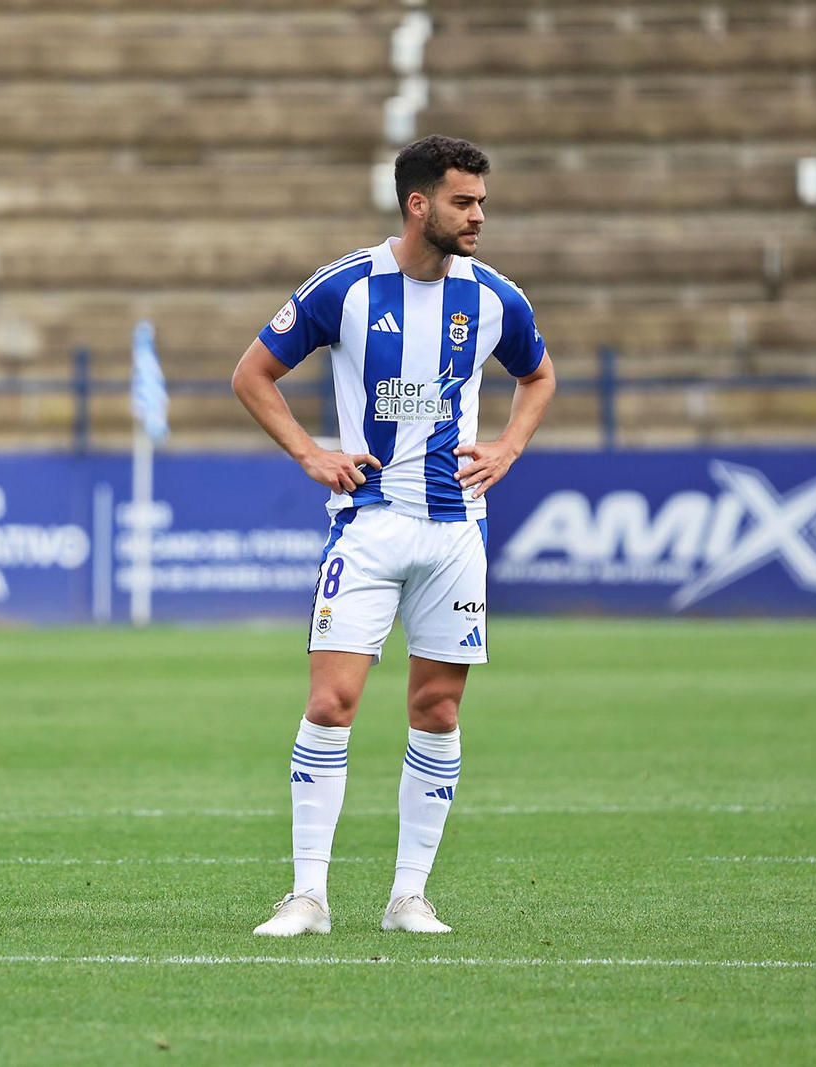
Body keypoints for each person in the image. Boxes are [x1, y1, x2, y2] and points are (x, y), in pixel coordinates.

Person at [230, 135, 557, 936]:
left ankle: (409, 894)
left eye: (481, 201)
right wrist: (312, 454)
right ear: (419, 205)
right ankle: (308, 895)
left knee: (438, 709)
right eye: (463, 202)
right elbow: (252, 373)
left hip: (455, 534)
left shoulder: (493, 299)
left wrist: (509, 447)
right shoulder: (345, 287)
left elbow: (539, 375)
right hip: (368, 527)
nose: (478, 216)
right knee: (332, 700)